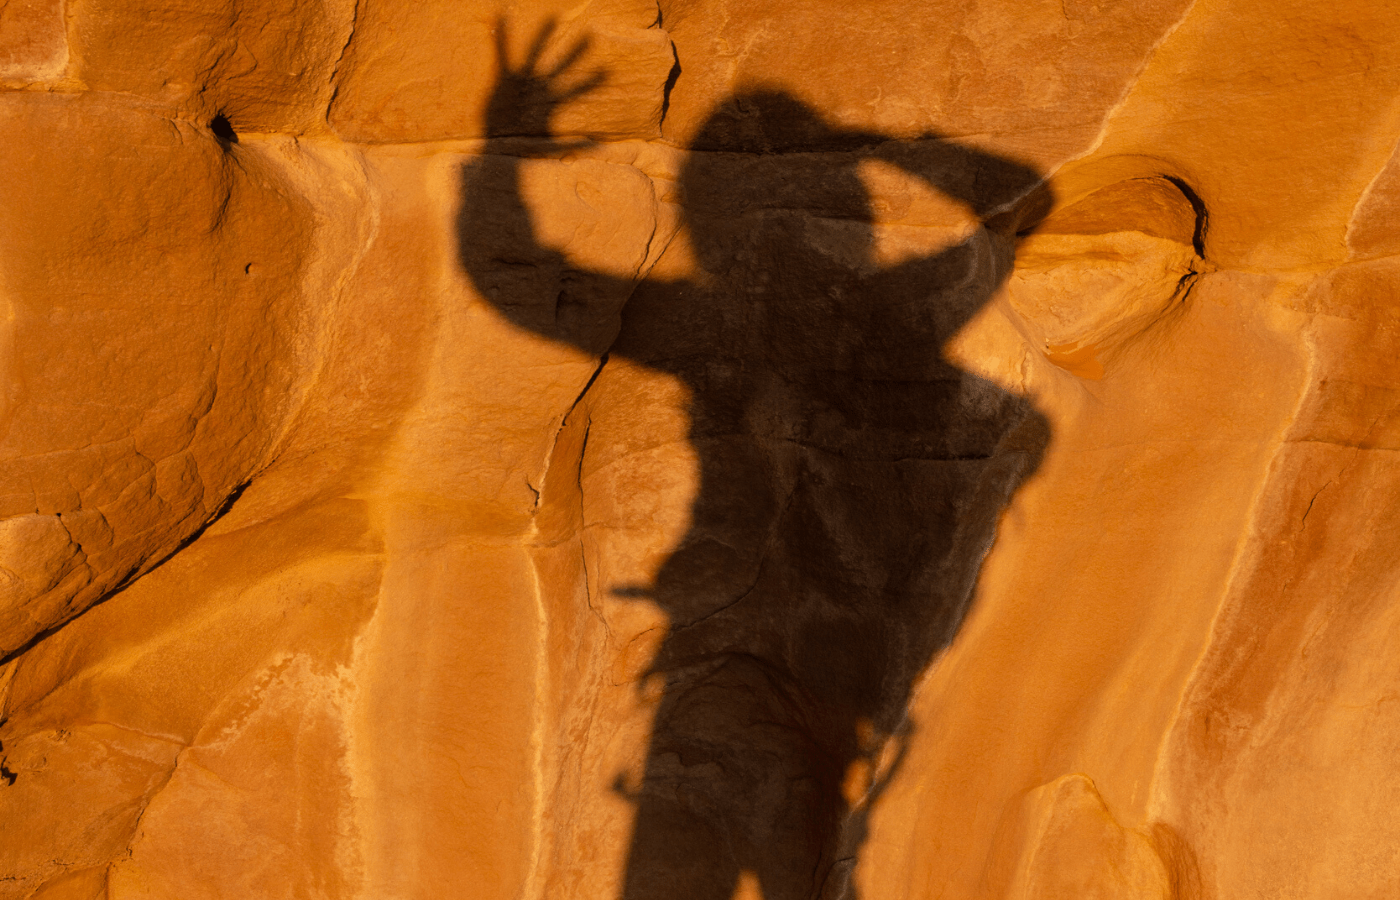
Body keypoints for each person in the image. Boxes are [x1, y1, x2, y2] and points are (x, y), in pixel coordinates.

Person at [459, 21, 1049, 900]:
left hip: (742, 660)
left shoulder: (722, 323)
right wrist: (879, 150)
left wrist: (501, 158)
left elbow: (520, 283)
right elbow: (1020, 204)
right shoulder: (891, 310)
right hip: (830, 667)